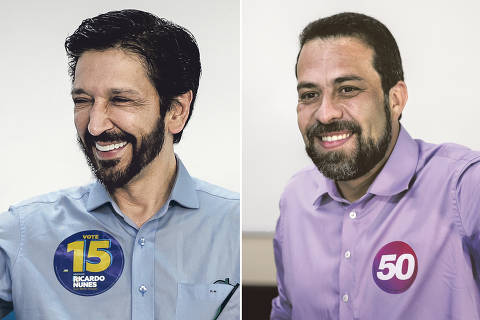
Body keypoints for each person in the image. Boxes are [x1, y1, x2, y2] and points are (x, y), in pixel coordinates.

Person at [0, 9, 239, 320]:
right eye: (82, 100)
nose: (95, 125)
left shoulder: (232, 225)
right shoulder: (22, 231)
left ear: (177, 111)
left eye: (121, 100)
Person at [271, 12, 480, 319]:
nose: (325, 113)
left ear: (395, 99)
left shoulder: (463, 185)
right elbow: (286, 311)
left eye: (348, 89)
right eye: (310, 94)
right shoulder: (296, 197)